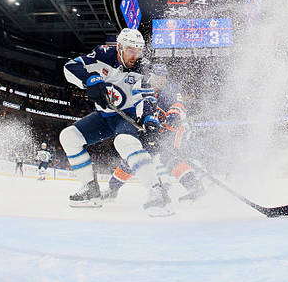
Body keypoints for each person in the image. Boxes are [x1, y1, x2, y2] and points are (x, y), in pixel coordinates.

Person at [60, 28, 172, 216]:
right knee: (69, 137)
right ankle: (90, 190)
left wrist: (151, 120)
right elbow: (70, 66)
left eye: (138, 50)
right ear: (119, 47)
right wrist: (90, 80)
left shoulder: (144, 68)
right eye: (130, 50)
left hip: (126, 116)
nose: (134, 55)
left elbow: (147, 99)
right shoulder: (103, 54)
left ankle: (156, 191)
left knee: (124, 142)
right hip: (103, 117)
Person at [104, 63, 204, 203]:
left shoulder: (171, 89)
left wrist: (174, 115)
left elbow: (178, 105)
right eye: (158, 76)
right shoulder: (143, 88)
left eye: (163, 77)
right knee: (133, 158)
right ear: (151, 77)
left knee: (168, 157)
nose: (161, 80)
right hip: (154, 131)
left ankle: (195, 187)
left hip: (174, 129)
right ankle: (112, 189)